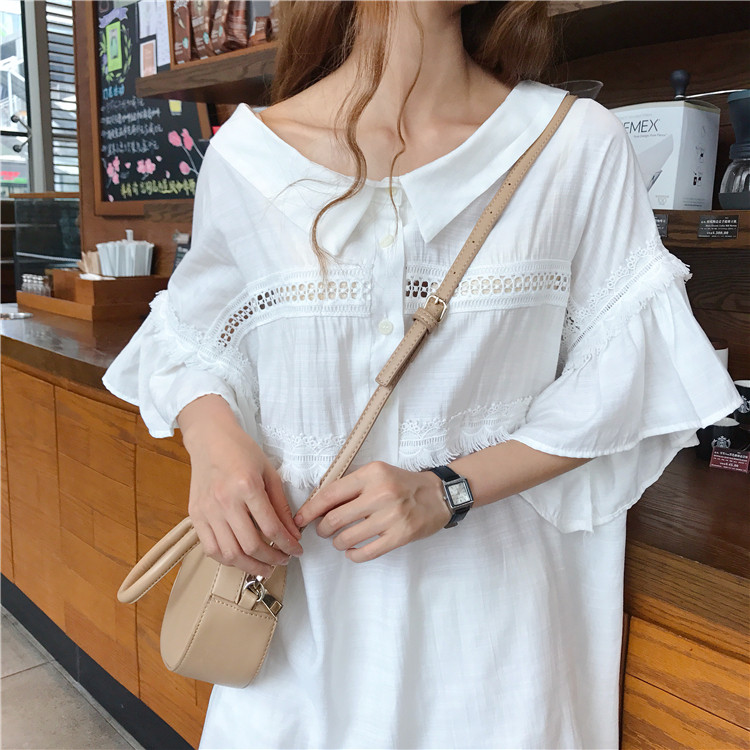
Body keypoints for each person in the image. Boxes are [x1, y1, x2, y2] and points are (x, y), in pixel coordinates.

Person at [102, 2, 742, 748]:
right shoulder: (250, 157)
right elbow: (190, 341)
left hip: (498, 639)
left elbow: (626, 380)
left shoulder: (573, 144)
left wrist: (448, 489)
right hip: (299, 625)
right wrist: (214, 445)